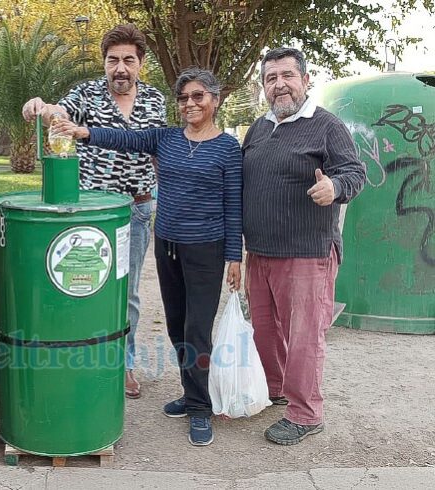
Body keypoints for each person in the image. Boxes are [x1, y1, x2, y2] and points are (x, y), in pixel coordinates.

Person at [53, 67, 242, 446]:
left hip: (205, 249)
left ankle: (201, 409)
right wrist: (83, 132)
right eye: (184, 97)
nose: (190, 103)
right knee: (176, 326)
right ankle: (191, 395)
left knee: (196, 330)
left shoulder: (228, 148)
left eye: (198, 96)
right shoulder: (167, 139)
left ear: (215, 100)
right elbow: (124, 138)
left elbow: (234, 204)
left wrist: (235, 257)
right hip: (167, 244)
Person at [22, 24, 167, 400]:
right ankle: (86, 360)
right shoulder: (86, 93)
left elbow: (155, 149)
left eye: (128, 61)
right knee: (87, 288)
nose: (120, 68)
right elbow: (61, 111)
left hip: (136, 211)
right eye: (113, 60)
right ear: (104, 63)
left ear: (140, 64)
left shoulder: (154, 100)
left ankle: (124, 364)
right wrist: (42, 108)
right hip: (91, 214)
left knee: (128, 293)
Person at [242, 47, 366, 446]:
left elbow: (354, 171)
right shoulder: (259, 128)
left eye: (287, 76)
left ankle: (306, 413)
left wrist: (336, 187)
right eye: (270, 78)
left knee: (304, 337)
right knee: (265, 330)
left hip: (307, 252)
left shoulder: (326, 126)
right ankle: (276, 390)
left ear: (305, 80)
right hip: (260, 252)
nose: (279, 85)